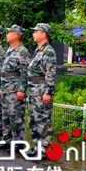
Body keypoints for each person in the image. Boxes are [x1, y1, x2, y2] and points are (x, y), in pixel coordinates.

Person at [0, 25, 30, 149]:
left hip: (14, 89)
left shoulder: (22, 51)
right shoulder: (9, 51)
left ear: (16, 35)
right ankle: (7, 139)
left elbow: (24, 72)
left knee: (15, 116)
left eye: (9, 33)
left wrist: (21, 90)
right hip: (5, 89)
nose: (7, 35)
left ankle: (18, 142)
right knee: (6, 115)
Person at [25, 23, 56, 158]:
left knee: (42, 121)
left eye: (36, 32)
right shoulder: (38, 50)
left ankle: (44, 148)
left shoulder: (48, 51)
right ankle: (36, 146)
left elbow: (50, 73)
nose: (33, 34)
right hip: (33, 91)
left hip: (41, 91)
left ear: (44, 34)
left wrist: (47, 92)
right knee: (33, 120)